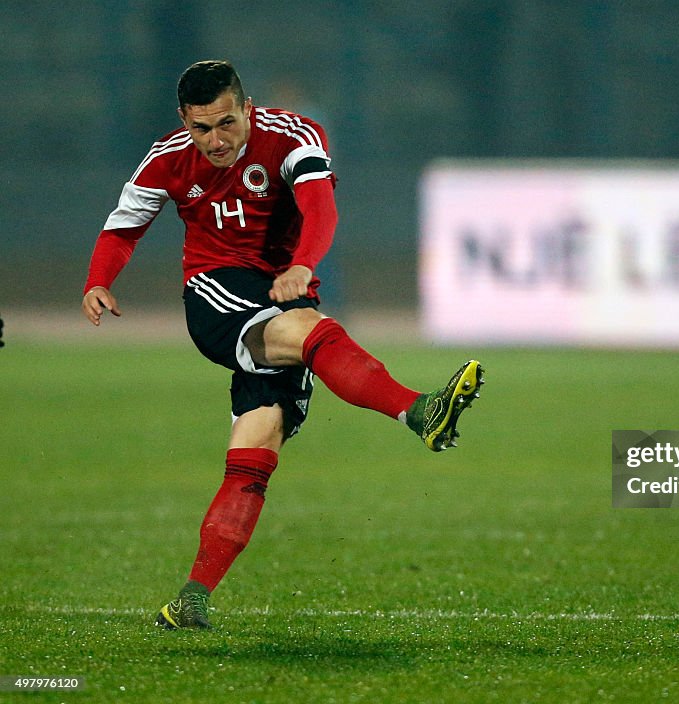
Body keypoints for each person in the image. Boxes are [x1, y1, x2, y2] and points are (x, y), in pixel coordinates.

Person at [81, 60, 484, 630]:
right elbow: (124, 225)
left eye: (226, 123)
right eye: (202, 129)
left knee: (257, 443)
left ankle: (190, 599)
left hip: (285, 291)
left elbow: (321, 206)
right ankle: (420, 411)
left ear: (247, 108)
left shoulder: (293, 136)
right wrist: (100, 278)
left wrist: (302, 264)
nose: (215, 141)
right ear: (184, 121)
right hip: (216, 292)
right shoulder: (168, 156)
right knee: (309, 332)